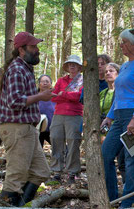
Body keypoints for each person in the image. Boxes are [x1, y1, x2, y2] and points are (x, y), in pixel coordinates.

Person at [0, 32, 55, 206]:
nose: (37, 50)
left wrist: (41, 95)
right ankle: (7, 204)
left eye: (36, 46)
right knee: (16, 176)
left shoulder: (25, 69)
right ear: (21, 50)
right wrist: (40, 97)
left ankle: (21, 205)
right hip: (16, 128)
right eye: (33, 47)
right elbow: (14, 101)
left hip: (27, 129)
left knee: (41, 171)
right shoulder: (16, 69)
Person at [101, 28, 134, 208]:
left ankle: (130, 200)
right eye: (121, 42)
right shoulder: (122, 66)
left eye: (124, 42)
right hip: (119, 117)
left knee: (132, 159)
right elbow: (118, 95)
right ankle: (111, 197)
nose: (121, 45)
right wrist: (109, 117)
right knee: (106, 153)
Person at [50, 54, 83, 184]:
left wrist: (63, 94)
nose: (72, 66)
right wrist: (68, 95)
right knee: (56, 139)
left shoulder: (83, 81)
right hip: (58, 114)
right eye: (69, 64)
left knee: (73, 142)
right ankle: (57, 171)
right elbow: (53, 97)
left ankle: (72, 172)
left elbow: (79, 97)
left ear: (79, 67)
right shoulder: (61, 80)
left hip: (75, 115)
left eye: (74, 64)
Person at [38, 74, 56, 147]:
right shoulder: (34, 96)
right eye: (42, 81)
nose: (45, 83)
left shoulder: (55, 97)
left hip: (52, 128)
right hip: (38, 129)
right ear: (39, 84)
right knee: (37, 151)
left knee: (61, 149)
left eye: (47, 81)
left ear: (51, 84)